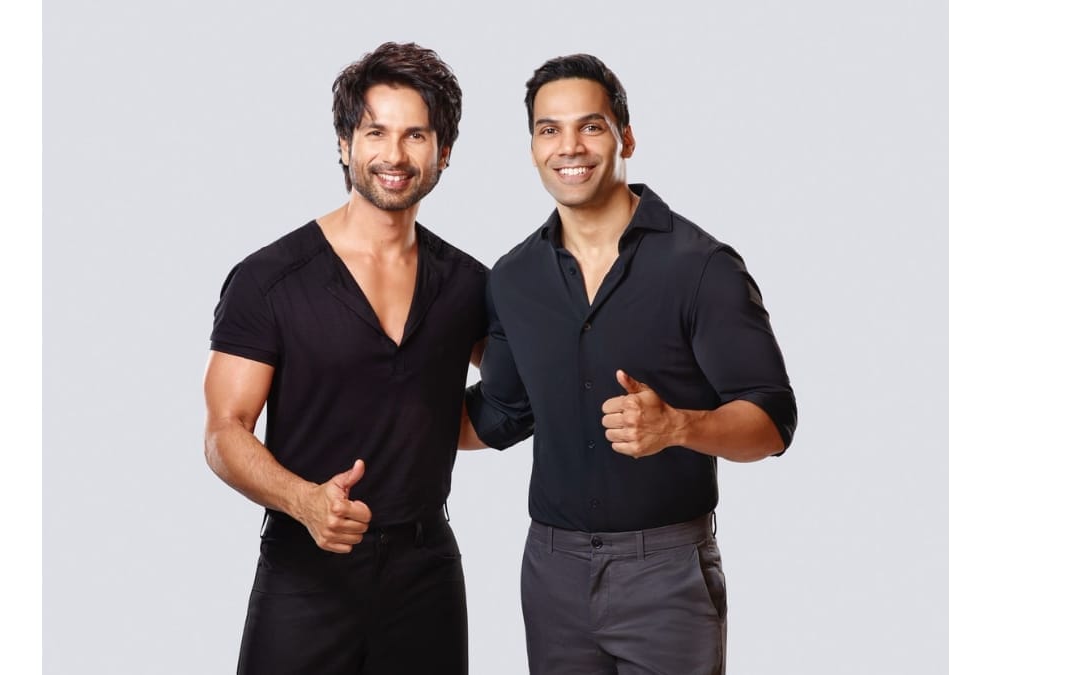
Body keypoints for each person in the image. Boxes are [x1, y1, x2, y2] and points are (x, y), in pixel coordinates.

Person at [464, 54, 798, 675]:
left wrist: (678, 427)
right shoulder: (513, 278)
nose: (569, 146)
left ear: (626, 138)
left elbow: (774, 421)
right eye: (549, 129)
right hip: (552, 572)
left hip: (666, 574)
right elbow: (503, 413)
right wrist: (390, 409)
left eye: (590, 126)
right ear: (533, 148)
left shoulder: (701, 266)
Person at [203, 42, 486, 674]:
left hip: (426, 572)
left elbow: (521, 392)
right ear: (344, 144)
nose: (395, 155)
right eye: (376, 132)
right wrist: (305, 501)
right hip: (305, 569)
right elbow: (225, 431)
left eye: (416, 135)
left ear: (444, 151)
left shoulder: (469, 284)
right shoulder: (269, 279)